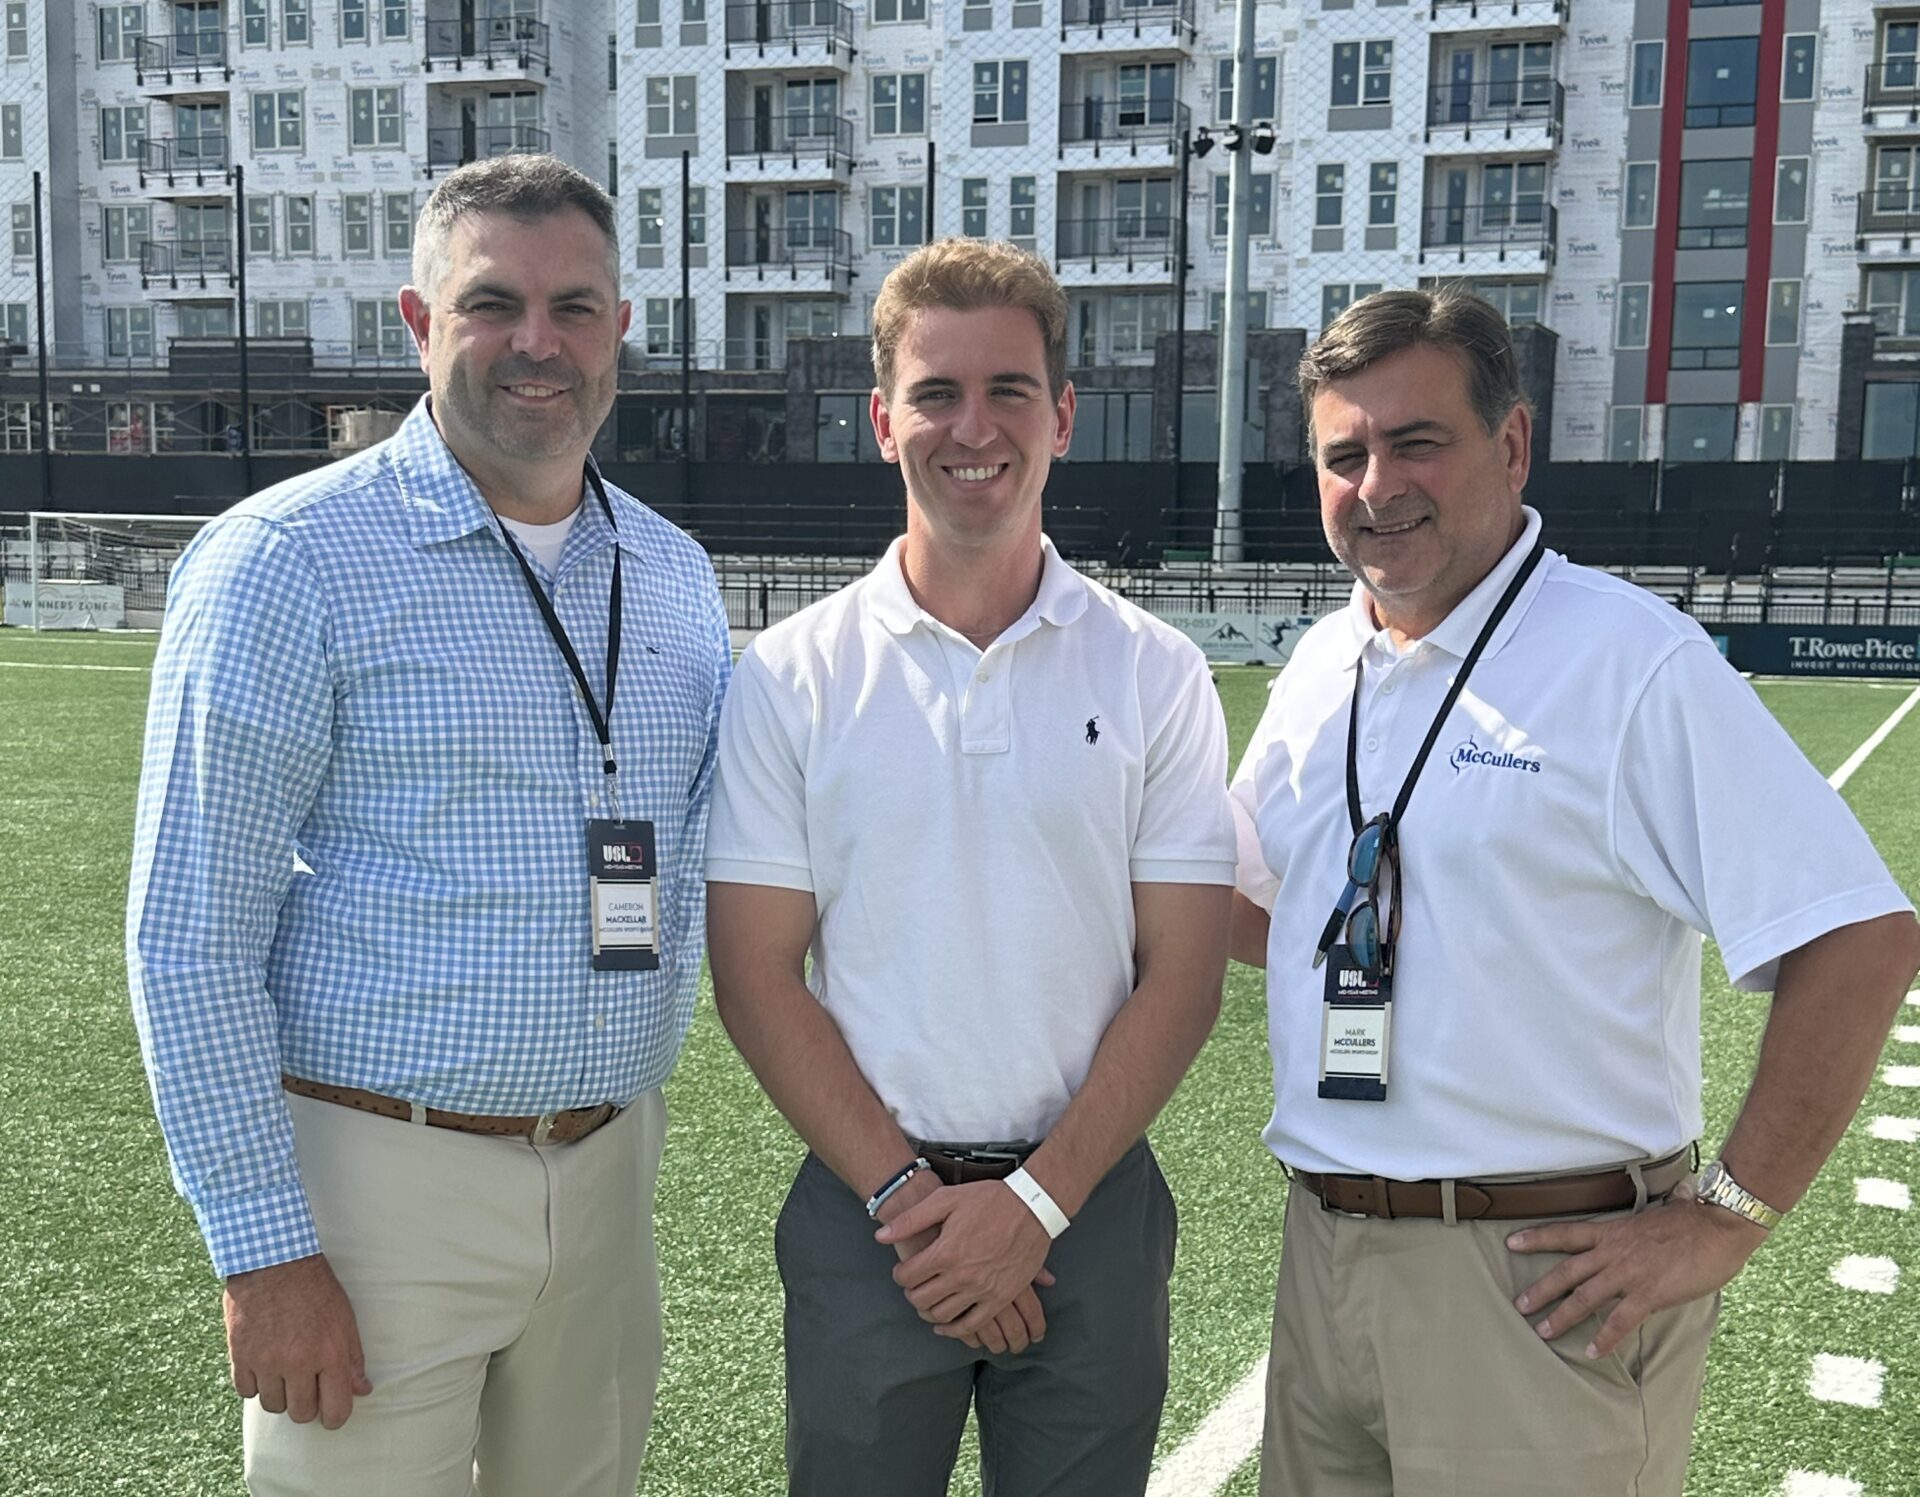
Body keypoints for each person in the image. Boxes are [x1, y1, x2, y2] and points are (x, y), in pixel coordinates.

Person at [1229, 287, 1920, 1496]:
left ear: (1510, 444)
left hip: (1537, 1276)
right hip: (1323, 1254)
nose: (1377, 482)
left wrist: (1727, 1216)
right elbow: (1264, 906)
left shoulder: (1630, 660)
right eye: (1345, 454)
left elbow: (1858, 940)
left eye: (1416, 441)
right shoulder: (1320, 662)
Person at [126, 155, 731, 1497]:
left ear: (620, 330)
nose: (538, 342)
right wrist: (263, 1249)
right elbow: (189, 937)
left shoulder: (676, 577)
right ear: (417, 322)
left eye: (575, 307)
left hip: (610, 1160)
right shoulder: (286, 562)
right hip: (375, 1188)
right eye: (491, 303)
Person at [705, 237, 1236, 1496]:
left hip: (1089, 1209)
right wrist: (913, 1203)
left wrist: (1035, 1208)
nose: (973, 427)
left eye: (1008, 391)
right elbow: (758, 975)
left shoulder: (1155, 669)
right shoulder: (791, 674)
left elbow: (1186, 973)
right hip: (870, 1214)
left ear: (1060, 416)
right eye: (937, 393)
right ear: (885, 422)